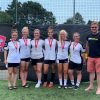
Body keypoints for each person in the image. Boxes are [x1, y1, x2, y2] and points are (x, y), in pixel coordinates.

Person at [85, 21, 100, 94]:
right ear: (90, 28)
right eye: (92, 27)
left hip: (98, 58)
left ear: (98, 27)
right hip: (90, 57)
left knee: (98, 73)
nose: (94, 28)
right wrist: (87, 56)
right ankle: (91, 86)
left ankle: (99, 88)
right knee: (91, 72)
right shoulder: (88, 36)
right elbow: (87, 46)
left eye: (95, 27)